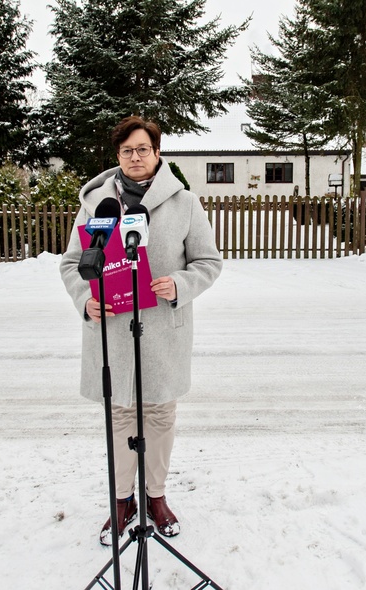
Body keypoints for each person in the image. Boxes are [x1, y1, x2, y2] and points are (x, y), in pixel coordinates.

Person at [60, 116, 222, 546]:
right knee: (119, 414)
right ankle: (121, 500)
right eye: (128, 150)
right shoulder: (97, 203)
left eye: (143, 149)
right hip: (112, 327)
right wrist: (84, 299)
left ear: (157, 153)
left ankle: (155, 496)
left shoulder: (184, 202)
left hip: (162, 329)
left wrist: (180, 285)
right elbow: (72, 263)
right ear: (118, 156)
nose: (136, 157)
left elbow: (209, 262)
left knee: (159, 414)